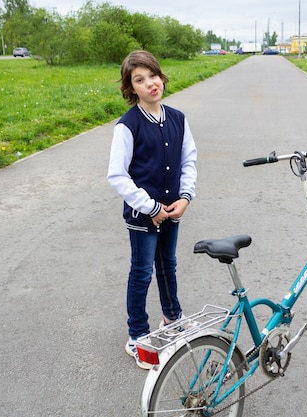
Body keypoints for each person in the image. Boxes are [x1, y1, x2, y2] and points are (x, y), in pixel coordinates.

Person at [107, 50, 197, 369]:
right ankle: (137, 335)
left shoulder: (177, 118)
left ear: (162, 77)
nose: (150, 84)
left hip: (172, 211)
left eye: (153, 76)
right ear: (132, 89)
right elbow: (117, 175)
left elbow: (188, 161)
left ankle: (172, 317)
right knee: (142, 272)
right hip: (142, 216)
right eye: (140, 80)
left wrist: (185, 197)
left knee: (167, 265)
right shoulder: (128, 126)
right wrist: (149, 207)